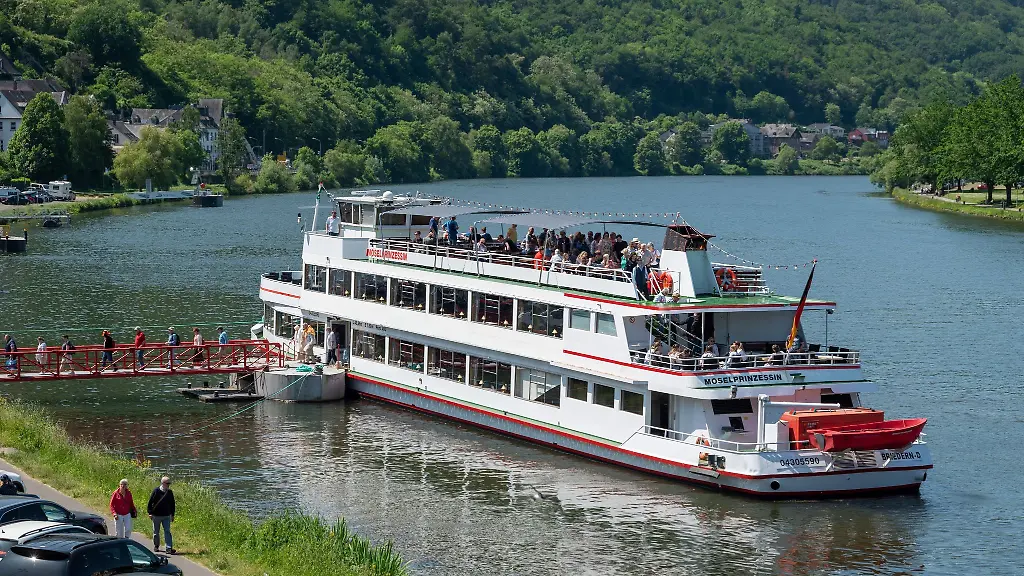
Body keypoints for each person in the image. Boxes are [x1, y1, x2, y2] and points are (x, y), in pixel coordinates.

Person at [148, 476, 176, 554]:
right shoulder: (156, 491)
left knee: (167, 531)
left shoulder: (169, 492)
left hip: (166, 516)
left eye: (169, 483)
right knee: (156, 532)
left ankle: (169, 548)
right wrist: (150, 513)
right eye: (167, 483)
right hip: (156, 516)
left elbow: (172, 504)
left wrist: (172, 514)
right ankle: (156, 545)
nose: (169, 485)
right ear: (163, 483)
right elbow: (150, 502)